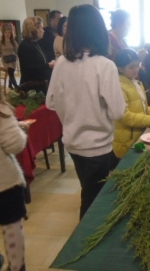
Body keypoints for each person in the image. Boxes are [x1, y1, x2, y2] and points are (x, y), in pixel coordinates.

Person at [45, 4, 126, 220]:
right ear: (97, 30)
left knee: (89, 191)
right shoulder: (104, 65)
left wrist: (74, 109)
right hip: (97, 146)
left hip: (73, 142)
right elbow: (118, 111)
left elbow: (51, 102)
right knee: (92, 203)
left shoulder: (62, 62)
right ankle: (84, 246)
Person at [112, 49, 150, 165]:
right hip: (126, 141)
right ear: (120, 68)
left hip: (137, 134)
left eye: (137, 66)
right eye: (131, 67)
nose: (136, 70)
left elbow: (142, 106)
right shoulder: (119, 87)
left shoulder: (135, 82)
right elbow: (125, 116)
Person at [0, 90, 29, 271]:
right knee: (11, 228)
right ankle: (17, 267)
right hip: (3, 183)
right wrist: (21, 130)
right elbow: (14, 143)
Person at [18, 16, 55, 87]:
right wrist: (48, 65)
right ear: (34, 29)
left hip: (41, 83)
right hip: (31, 86)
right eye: (41, 28)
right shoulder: (25, 46)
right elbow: (28, 69)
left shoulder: (36, 43)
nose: (43, 30)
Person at [0, 23, 19, 90]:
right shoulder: (1, 42)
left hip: (13, 60)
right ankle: (17, 87)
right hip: (6, 61)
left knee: (11, 73)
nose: (8, 34)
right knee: (11, 73)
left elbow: (18, 49)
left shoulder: (13, 42)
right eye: (6, 32)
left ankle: (10, 86)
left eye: (9, 32)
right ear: (4, 33)